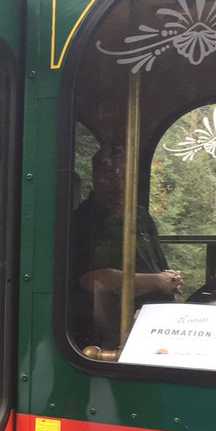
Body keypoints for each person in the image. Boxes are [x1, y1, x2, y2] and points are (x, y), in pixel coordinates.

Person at [71, 145, 182, 347]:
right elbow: (93, 281)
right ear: (96, 179)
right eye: (111, 177)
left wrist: (170, 278)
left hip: (155, 320)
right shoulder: (81, 223)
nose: (120, 184)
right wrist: (157, 281)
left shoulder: (141, 217)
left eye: (125, 176)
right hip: (109, 330)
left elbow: (157, 266)